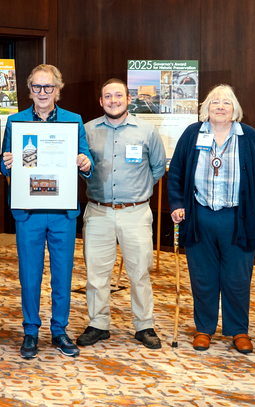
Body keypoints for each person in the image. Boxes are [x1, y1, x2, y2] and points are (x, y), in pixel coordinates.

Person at [168, 85, 255, 354]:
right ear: (206, 107)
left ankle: (238, 330)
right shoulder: (193, 133)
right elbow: (177, 171)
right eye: (215, 102)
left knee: (236, 278)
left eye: (226, 102)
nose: (220, 107)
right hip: (199, 216)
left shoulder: (248, 137)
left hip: (239, 219)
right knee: (203, 277)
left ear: (234, 108)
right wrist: (177, 204)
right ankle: (204, 328)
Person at [1, 64, 94, 359]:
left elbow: (86, 157)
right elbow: (3, 165)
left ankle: (59, 330)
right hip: (28, 210)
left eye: (48, 87)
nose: (43, 93)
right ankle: (30, 331)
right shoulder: (16, 123)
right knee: (29, 274)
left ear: (58, 90)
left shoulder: (73, 120)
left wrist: (85, 162)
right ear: (29, 90)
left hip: (62, 210)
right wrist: (7, 161)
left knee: (62, 274)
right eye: (37, 87)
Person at [77, 78, 165, 350]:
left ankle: (144, 325)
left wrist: (137, 192)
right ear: (101, 101)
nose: (113, 100)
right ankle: (98, 324)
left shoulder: (146, 131)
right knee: (96, 274)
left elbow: (158, 167)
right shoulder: (88, 130)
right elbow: (81, 165)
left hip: (135, 213)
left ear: (128, 99)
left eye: (118, 96)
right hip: (98, 212)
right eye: (108, 96)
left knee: (139, 272)